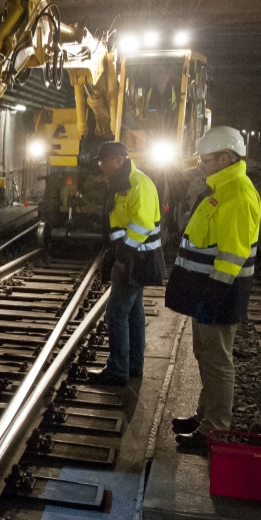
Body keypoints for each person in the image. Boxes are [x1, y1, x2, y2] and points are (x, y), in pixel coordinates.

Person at [165, 127, 261, 450]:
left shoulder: (237, 194)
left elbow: (231, 255)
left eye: (205, 160)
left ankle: (215, 432)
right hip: (206, 291)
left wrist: (213, 296)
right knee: (204, 355)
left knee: (218, 361)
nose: (200, 166)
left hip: (219, 293)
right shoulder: (221, 189)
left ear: (224, 158)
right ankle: (204, 416)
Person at [87, 142, 166, 386]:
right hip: (133, 257)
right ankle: (133, 365)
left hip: (135, 259)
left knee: (117, 311)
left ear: (119, 160)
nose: (101, 166)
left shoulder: (137, 184)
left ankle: (118, 369)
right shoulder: (123, 182)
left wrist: (122, 256)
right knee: (133, 311)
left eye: (104, 161)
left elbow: (141, 225)